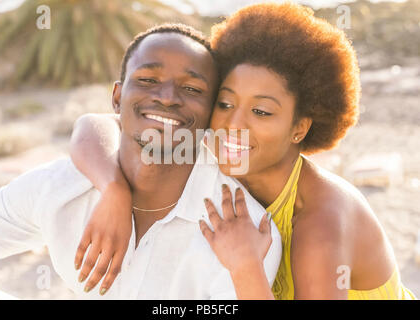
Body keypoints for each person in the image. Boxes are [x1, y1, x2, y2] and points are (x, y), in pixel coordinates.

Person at [70, 3, 416, 299]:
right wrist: (112, 189)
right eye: (224, 103)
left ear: (300, 127)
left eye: (261, 112)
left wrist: (246, 265)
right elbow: (95, 126)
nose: (234, 124)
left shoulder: (319, 222)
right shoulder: (221, 145)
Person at [0, 23, 282, 300]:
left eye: (191, 88)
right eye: (148, 79)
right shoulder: (60, 187)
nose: (168, 96)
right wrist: (113, 189)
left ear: (211, 112)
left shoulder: (244, 232)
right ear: (117, 98)